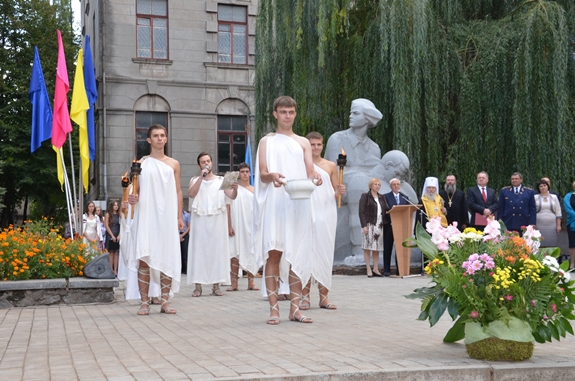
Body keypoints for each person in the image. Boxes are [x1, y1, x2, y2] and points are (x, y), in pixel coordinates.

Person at [254, 95, 322, 325]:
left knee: (297, 255)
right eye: (283, 112)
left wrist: (317, 178)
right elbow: (262, 173)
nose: (287, 116)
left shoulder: (303, 142)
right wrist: (271, 176)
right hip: (275, 202)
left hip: (298, 201)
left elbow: (310, 171)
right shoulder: (267, 141)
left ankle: (295, 309)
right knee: (274, 253)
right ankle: (274, 309)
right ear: (275, 114)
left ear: (295, 114)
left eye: (291, 112)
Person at [126, 124, 183, 315]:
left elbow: (177, 191)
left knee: (167, 256)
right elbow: (134, 189)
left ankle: (165, 301)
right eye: (156, 136)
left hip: (167, 216)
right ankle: (144, 302)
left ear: (166, 139)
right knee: (144, 256)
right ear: (149, 140)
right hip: (147, 215)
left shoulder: (174, 164)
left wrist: (179, 217)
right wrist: (132, 197)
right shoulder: (141, 163)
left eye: (163, 135)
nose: (160, 138)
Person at [300, 132, 346, 310]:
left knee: (325, 253)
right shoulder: (302, 165)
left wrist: (340, 191)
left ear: (323, 145)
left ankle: (324, 297)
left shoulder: (331, 166)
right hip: (307, 211)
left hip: (326, 212)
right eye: (312, 145)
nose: (316, 148)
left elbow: (335, 191)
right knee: (306, 254)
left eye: (319, 144)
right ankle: (304, 297)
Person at [187, 152, 238, 297]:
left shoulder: (221, 180)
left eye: (208, 161)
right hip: (200, 219)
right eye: (203, 162)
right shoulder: (195, 179)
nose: (206, 164)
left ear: (212, 162)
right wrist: (201, 178)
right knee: (199, 251)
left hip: (217, 220)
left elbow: (232, 196)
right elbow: (191, 194)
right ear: (199, 165)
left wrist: (235, 188)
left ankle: (216, 286)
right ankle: (198, 286)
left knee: (217, 251)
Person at [227, 162, 260, 291]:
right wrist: (229, 225)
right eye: (242, 172)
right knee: (235, 252)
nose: (245, 174)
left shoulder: (254, 190)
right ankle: (234, 283)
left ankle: (251, 282)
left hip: (251, 225)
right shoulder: (233, 189)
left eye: (247, 171)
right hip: (237, 223)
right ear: (238, 174)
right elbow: (228, 207)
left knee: (252, 252)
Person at [359, 178, 388, 277]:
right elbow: (361, 212)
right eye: (375, 184)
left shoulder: (382, 197)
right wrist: (364, 225)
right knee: (367, 247)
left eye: (379, 185)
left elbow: (386, 209)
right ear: (371, 185)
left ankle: (375, 268)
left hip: (379, 225)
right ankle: (368, 269)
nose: (377, 186)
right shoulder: (365, 196)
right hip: (369, 224)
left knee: (377, 248)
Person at [383, 178, 410, 276]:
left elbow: (407, 210)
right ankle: (387, 270)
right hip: (389, 225)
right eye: (394, 184)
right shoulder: (385, 197)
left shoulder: (405, 197)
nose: (396, 186)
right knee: (388, 247)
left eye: (398, 184)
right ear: (391, 186)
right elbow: (385, 210)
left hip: (402, 226)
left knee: (400, 247)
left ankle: (400, 270)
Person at [534, 179, 561, 247]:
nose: (543, 187)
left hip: (552, 225)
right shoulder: (535, 197)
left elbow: (558, 212)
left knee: (552, 244)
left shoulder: (554, 197)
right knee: (539, 243)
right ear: (538, 188)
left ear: (548, 186)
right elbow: (532, 211)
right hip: (539, 224)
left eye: (545, 185)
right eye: (541, 186)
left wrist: (558, 225)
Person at [105, 200, 121, 275]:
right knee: (111, 252)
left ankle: (115, 270)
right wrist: (112, 235)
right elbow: (106, 225)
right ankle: (111, 269)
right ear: (112, 206)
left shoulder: (119, 215)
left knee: (116, 253)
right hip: (110, 234)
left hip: (117, 234)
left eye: (117, 205)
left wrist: (119, 235)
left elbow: (122, 225)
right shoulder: (108, 214)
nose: (116, 206)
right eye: (114, 205)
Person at [564, 181, 575, 269]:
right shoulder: (568, 196)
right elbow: (568, 208)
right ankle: (572, 264)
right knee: (572, 244)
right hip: (572, 223)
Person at [179, 210, 190, 274]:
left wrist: (182, 235)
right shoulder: (175, 214)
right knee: (179, 252)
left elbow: (189, 226)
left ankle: (185, 269)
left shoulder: (187, 215)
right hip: (177, 234)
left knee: (185, 252)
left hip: (185, 234)